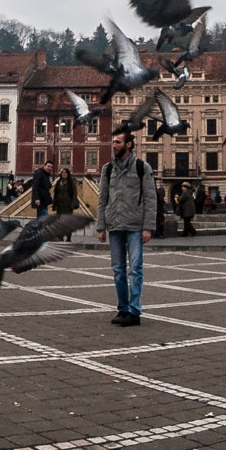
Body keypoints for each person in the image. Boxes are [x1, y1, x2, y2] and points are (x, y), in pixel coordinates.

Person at [96, 132, 156, 326]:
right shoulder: (107, 169)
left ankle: (134, 311)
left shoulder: (142, 167)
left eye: (117, 142)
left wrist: (148, 227)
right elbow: (102, 200)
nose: (113, 144)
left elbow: (150, 198)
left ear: (128, 144)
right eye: (113, 141)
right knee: (118, 270)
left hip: (135, 226)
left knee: (135, 269)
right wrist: (100, 227)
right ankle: (122, 308)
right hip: (115, 225)